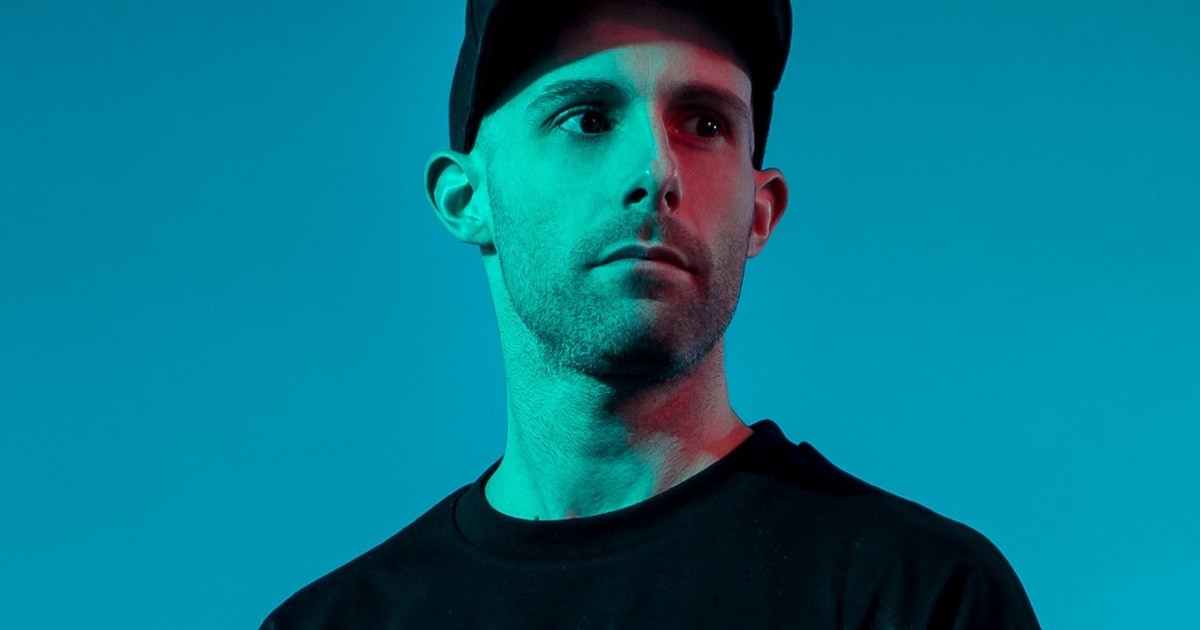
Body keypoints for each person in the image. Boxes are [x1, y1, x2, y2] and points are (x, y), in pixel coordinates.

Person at [261, 0, 1041, 627]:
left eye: (705, 123)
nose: (657, 169)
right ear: (467, 197)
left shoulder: (919, 596)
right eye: (587, 118)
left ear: (760, 212)